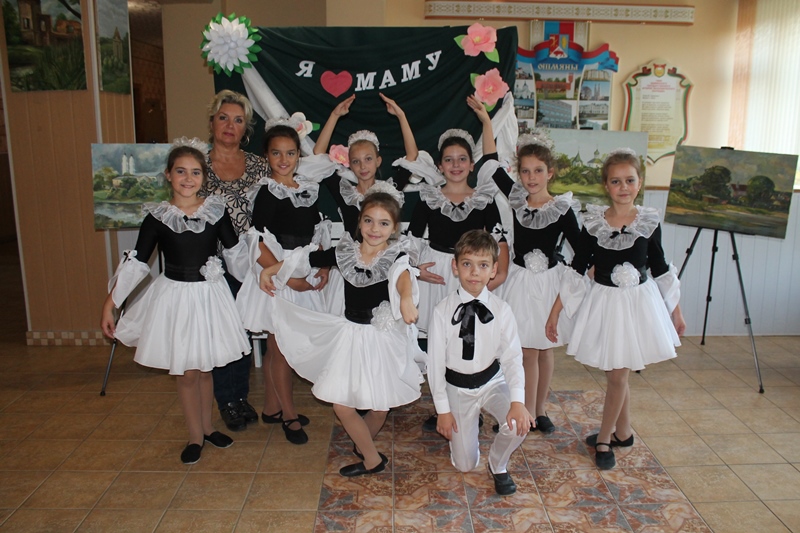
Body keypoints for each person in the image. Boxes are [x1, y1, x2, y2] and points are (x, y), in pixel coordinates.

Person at [100, 138, 250, 464]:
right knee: (188, 373)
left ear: (204, 177)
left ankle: (208, 428)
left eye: (195, 172)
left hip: (210, 298)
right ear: (168, 175)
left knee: (206, 368)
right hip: (177, 299)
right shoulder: (157, 217)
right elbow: (139, 262)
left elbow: (236, 254)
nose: (188, 178)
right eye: (181, 171)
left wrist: (258, 281)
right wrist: (111, 302)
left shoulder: (215, 211)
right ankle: (195, 435)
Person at [260, 191, 424, 476]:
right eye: (369, 221)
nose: (375, 229)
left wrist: (407, 299)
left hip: (379, 339)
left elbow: (403, 278)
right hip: (350, 337)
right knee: (342, 405)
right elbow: (307, 259)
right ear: (359, 222)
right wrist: (271, 269)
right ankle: (371, 458)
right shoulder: (345, 253)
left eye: (384, 223)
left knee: (380, 406)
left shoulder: (396, 257)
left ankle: (364, 447)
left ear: (394, 228)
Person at [546, 148, 686, 470]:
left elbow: (660, 267)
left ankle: (605, 438)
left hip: (637, 307)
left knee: (618, 376)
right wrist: (555, 311)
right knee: (616, 372)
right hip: (606, 305)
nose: (623, 187)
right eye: (616, 181)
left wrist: (676, 311)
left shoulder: (648, 222)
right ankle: (624, 432)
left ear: (640, 183)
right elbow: (578, 269)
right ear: (606, 185)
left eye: (630, 180)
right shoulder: (594, 223)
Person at [474, 118, 581, 435]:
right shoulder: (517, 198)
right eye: (525, 171)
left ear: (550, 173)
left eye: (538, 171)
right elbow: (491, 163)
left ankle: (538, 409)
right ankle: (526, 413)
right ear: (519, 174)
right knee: (526, 351)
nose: (531, 177)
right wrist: (486, 121)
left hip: (548, 284)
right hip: (520, 284)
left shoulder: (562, 209)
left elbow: (581, 250)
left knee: (544, 349)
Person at [235, 117, 336, 444]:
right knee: (281, 349)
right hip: (279, 277)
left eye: (290, 153)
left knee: (281, 348)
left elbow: (316, 235)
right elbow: (258, 243)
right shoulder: (267, 192)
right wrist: (288, 279)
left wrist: (324, 266)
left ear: (298, 156)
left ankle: (272, 408)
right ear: (267, 156)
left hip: (302, 272)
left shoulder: (307, 188)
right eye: (276, 153)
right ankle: (289, 416)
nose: (283, 160)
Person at [412, 96, 510, 431]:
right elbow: (412, 240)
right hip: (438, 275)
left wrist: (497, 274)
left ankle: (475, 400)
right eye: (449, 160)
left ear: (471, 165)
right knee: (439, 342)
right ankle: (443, 406)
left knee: (472, 340)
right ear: (440, 166)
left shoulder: (484, 200)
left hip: (472, 275)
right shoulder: (428, 198)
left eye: (462, 159)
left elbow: (499, 241)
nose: (455, 165)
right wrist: (415, 270)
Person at [428, 229, 533, 495]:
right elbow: (435, 366)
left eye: (483, 265)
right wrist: (442, 410)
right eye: (467, 264)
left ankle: (498, 465)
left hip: (491, 381)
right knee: (465, 465)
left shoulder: (502, 310)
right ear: (455, 267)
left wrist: (518, 401)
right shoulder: (441, 312)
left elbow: (512, 358)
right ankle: (466, 431)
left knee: (518, 425)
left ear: (494, 270)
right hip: (457, 388)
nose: (474, 272)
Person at [200, 89, 268, 433]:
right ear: (212, 122)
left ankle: (240, 396)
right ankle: (225, 399)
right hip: (210, 264)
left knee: (242, 329)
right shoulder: (196, 164)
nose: (230, 125)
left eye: (238, 120)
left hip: (251, 262)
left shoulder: (259, 165)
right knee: (220, 332)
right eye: (224, 118)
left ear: (246, 128)